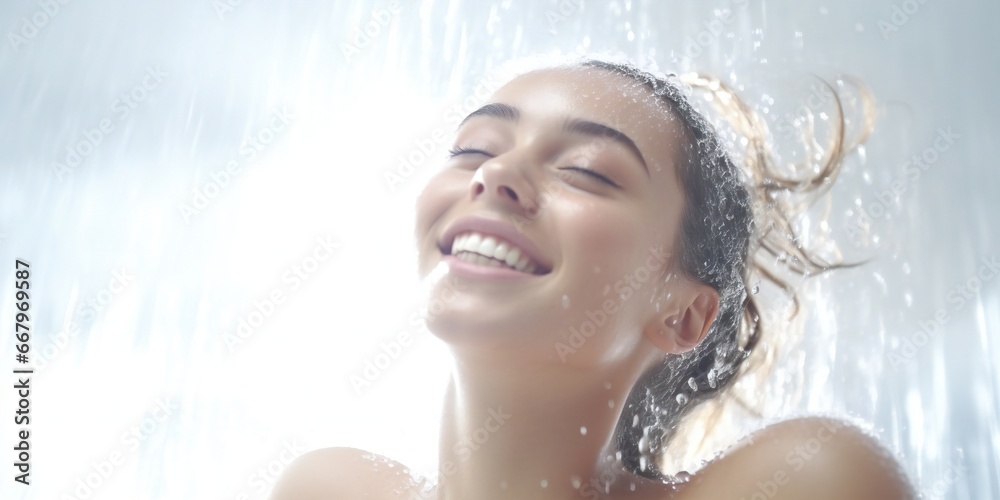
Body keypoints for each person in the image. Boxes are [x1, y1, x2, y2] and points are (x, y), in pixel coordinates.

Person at [269, 56, 914, 499]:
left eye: (586, 170)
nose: (492, 176)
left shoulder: (806, 477)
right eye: (474, 149)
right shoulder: (325, 487)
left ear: (684, 314)